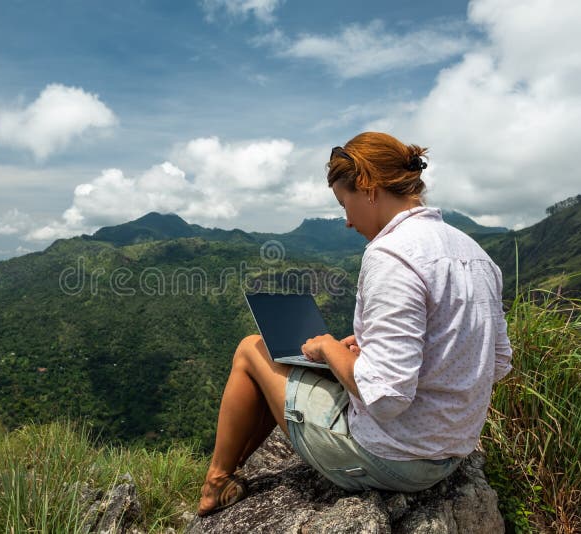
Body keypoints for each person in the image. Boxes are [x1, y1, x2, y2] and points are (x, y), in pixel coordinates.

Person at [197, 131, 513, 516]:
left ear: (368, 189)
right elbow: (496, 362)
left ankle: (215, 482)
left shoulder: (391, 255)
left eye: (345, 204)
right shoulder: (474, 253)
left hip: (395, 459)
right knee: (283, 363)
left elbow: (387, 398)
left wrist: (329, 349)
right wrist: (374, 352)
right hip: (451, 451)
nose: (347, 221)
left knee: (252, 349)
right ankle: (226, 475)